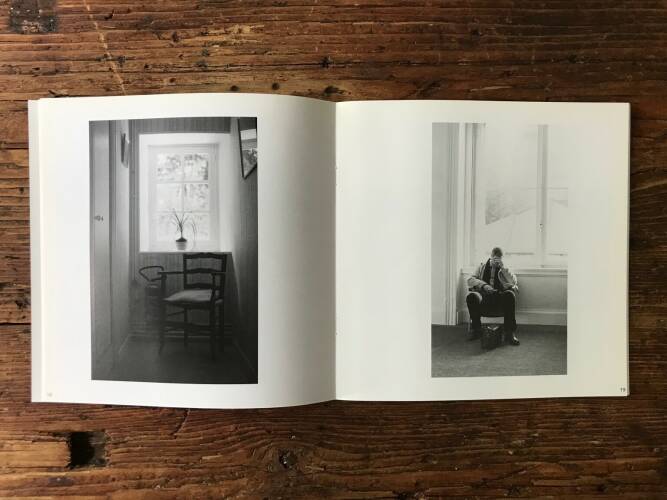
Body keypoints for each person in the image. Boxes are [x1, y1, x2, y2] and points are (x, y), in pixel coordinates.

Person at [466, 247, 520, 345]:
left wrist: (503, 268)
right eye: (494, 258)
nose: (496, 261)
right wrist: (484, 285)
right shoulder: (481, 266)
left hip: (499, 297)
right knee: (471, 297)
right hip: (484, 297)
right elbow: (469, 280)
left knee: (510, 294)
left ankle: (509, 333)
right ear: (490, 256)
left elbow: (513, 282)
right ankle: (476, 330)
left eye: (499, 258)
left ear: (502, 258)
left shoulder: (505, 269)